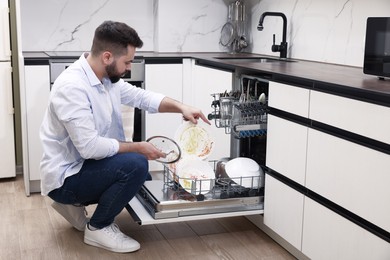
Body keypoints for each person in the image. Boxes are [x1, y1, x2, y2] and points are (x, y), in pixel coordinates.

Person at [39, 20, 210, 253]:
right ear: (107, 57)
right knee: (136, 165)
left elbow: (143, 98)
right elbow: (90, 148)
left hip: (83, 165)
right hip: (66, 175)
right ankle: (98, 227)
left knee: (141, 173)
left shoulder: (106, 79)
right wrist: (138, 147)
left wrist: (182, 107)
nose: (129, 67)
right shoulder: (72, 87)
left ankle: (74, 203)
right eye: (127, 61)